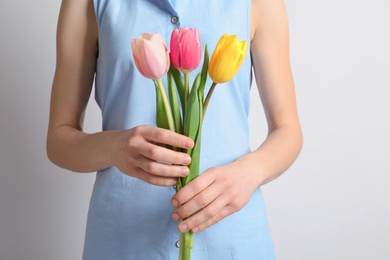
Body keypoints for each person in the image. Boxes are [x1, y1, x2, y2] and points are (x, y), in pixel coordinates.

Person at [47, 0, 302, 259]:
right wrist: (114, 147)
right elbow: (59, 138)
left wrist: (248, 173)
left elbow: (287, 129)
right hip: (123, 242)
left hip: (231, 240)